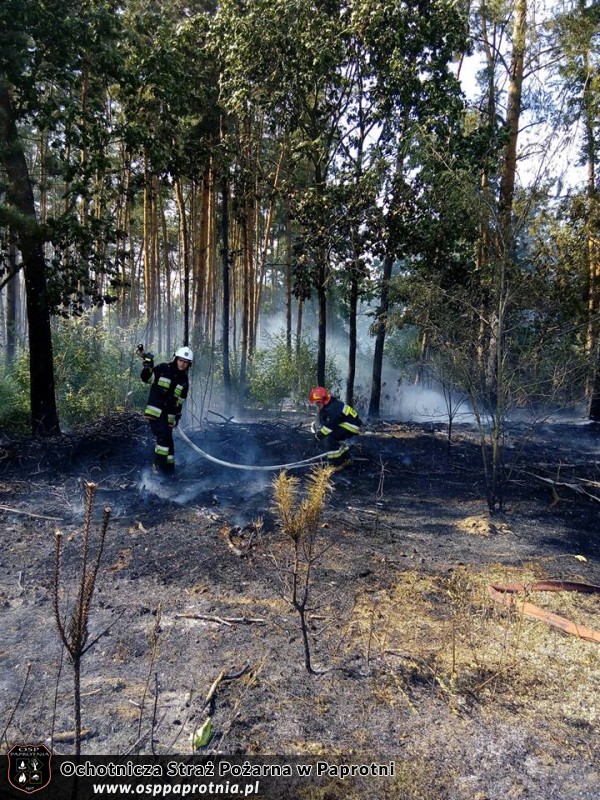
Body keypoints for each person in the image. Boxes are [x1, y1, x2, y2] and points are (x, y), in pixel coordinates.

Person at [140, 346, 193, 475]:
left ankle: (169, 471)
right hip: (155, 413)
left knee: (168, 442)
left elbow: (180, 401)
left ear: (188, 364)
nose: (182, 364)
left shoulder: (184, 380)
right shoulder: (163, 368)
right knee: (163, 439)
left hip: (169, 416)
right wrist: (148, 366)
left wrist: (177, 417)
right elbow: (146, 379)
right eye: (180, 360)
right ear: (176, 358)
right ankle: (158, 469)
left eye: (185, 362)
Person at [308, 386, 362, 469]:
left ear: (323, 400)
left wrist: (318, 436)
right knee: (332, 437)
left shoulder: (333, 407)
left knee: (329, 439)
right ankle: (346, 458)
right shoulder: (330, 405)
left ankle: (336, 464)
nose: (317, 405)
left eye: (318, 402)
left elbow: (329, 426)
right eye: (316, 403)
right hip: (346, 424)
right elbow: (327, 423)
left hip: (351, 426)